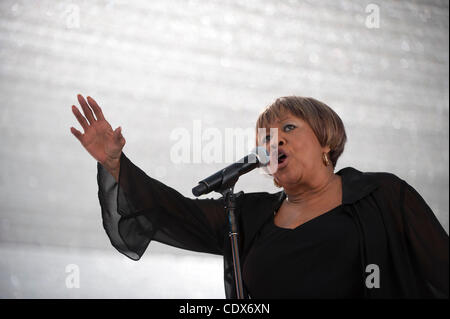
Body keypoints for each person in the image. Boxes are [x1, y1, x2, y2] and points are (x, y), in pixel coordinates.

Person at [70, 94, 449, 299]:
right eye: (265, 137)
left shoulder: (381, 194)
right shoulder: (246, 215)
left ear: (326, 141)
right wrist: (116, 164)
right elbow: (173, 212)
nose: (274, 139)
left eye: (287, 127)